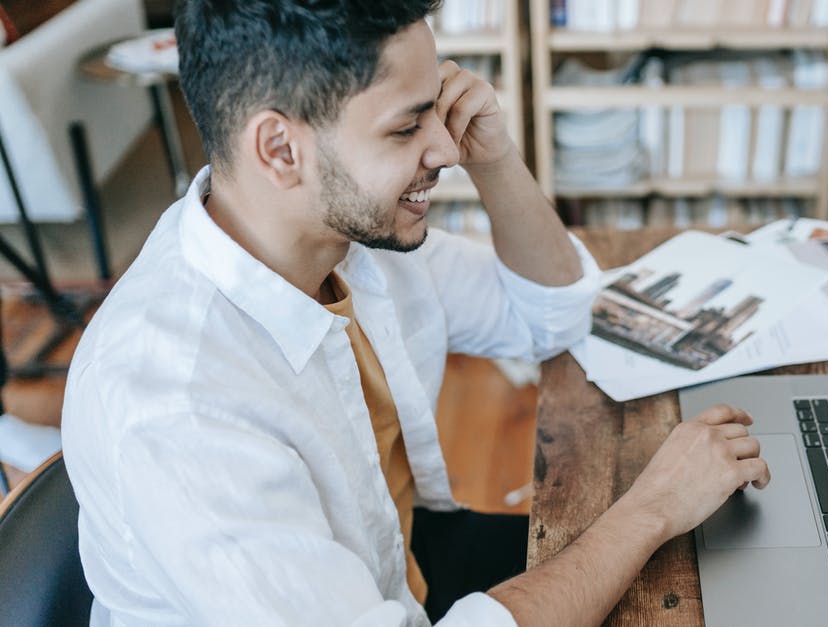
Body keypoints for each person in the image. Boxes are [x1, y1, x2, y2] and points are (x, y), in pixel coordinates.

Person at [61, 1, 770, 625]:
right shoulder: (177, 407)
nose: (444, 147)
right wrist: (650, 509)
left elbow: (554, 316)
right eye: (407, 128)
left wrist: (495, 158)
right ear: (281, 149)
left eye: (438, 103)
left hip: (398, 559)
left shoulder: (347, 237)